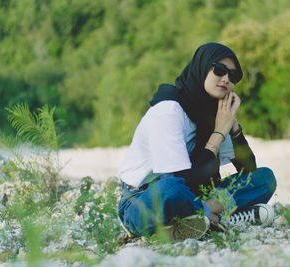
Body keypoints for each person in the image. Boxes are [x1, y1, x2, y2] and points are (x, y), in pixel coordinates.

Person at [118, 43, 277, 242]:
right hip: (144, 199)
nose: (226, 79)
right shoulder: (169, 111)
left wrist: (233, 127)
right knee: (172, 190)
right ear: (201, 68)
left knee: (265, 179)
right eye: (219, 70)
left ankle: (195, 221)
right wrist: (219, 133)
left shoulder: (214, 113)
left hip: (195, 196)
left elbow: (249, 170)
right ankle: (214, 217)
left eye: (234, 76)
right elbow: (177, 182)